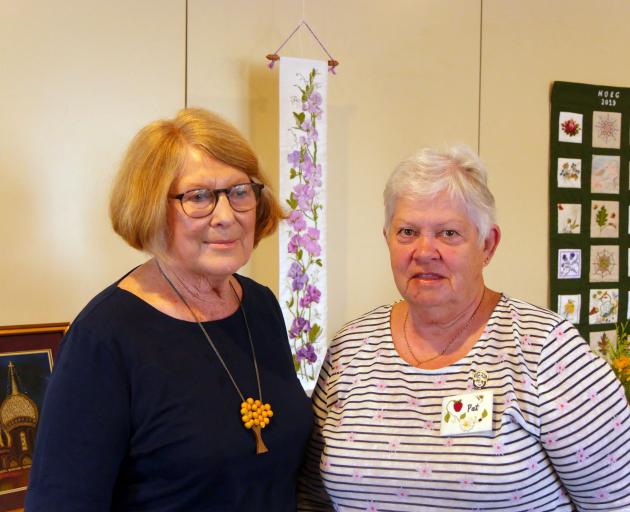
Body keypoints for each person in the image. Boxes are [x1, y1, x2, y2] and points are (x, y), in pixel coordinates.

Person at [299, 146, 630, 511]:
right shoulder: (352, 347)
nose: (425, 251)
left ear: (487, 245)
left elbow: (616, 503)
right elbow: (313, 496)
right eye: (407, 232)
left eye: (449, 233)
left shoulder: (546, 352)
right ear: (388, 240)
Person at [26, 108, 313, 511]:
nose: (227, 216)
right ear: (151, 208)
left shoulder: (261, 306)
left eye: (240, 191)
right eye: (198, 197)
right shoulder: (104, 338)